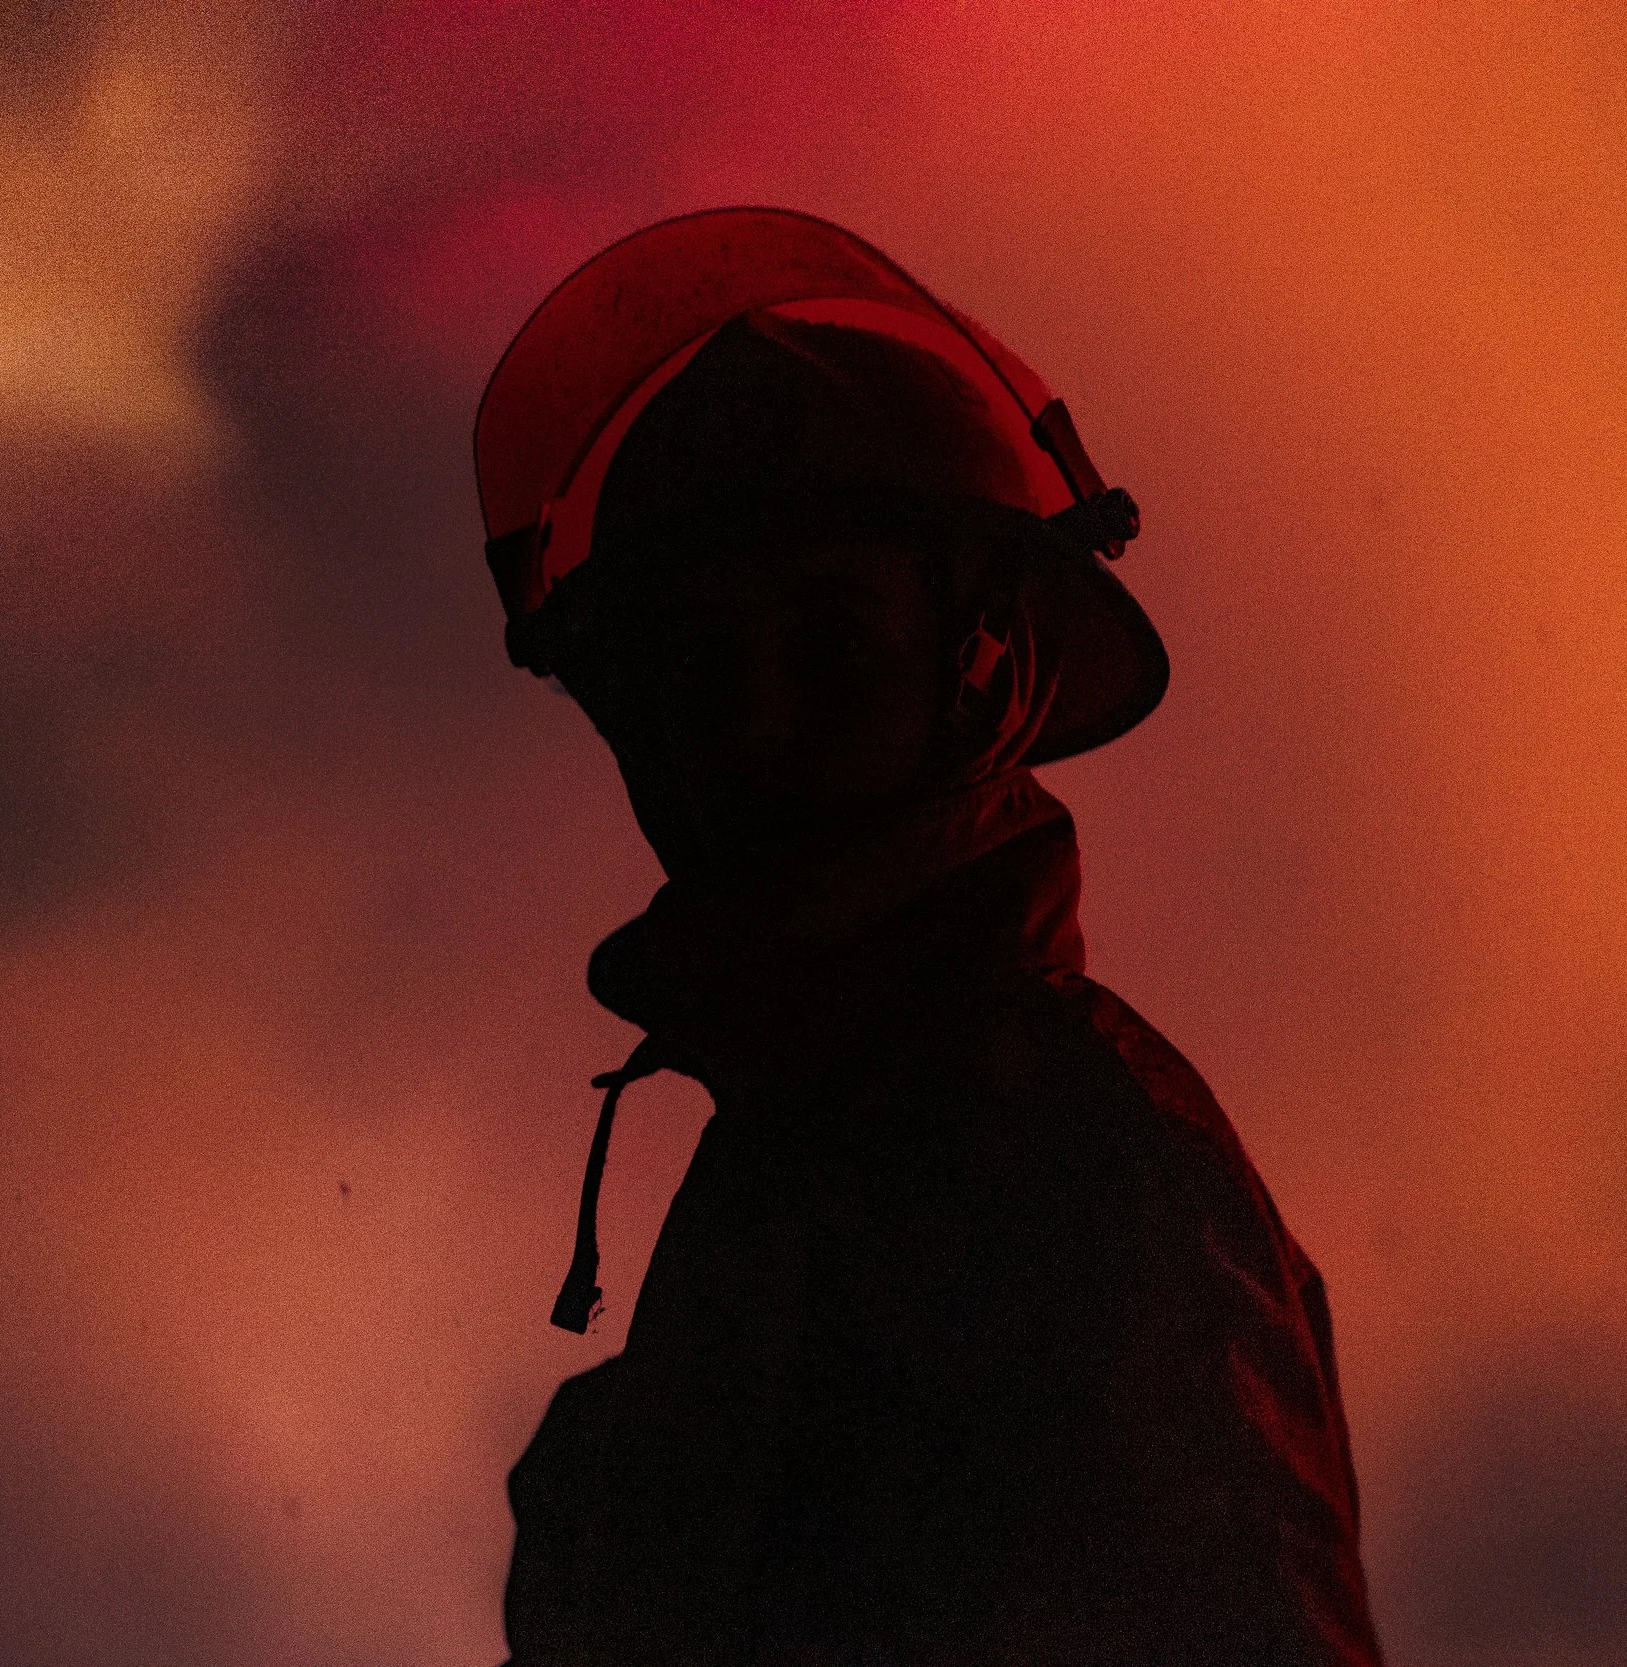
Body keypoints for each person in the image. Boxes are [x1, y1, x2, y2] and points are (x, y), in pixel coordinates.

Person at [471, 210, 1383, 1666]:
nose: (755, 727)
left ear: (988, 678)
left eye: (831, 643)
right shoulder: (807, 1164)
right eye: (696, 674)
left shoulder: (1080, 1170)